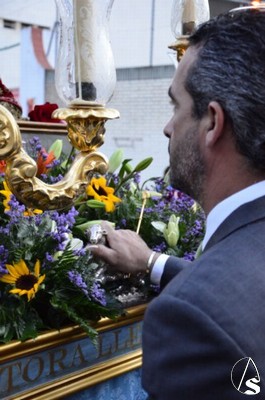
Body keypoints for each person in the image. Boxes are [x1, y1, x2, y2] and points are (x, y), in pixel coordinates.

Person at [90, 8, 265, 399]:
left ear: (213, 123)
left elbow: (220, 302)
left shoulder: (190, 319)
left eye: (176, 106)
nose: (168, 127)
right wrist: (152, 263)